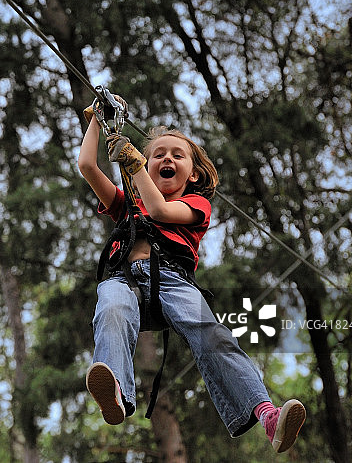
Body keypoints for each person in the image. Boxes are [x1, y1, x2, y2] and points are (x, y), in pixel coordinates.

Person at [77, 99, 306, 453]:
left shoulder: (197, 206)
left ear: (193, 174)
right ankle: (116, 392)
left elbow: (159, 209)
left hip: (172, 281)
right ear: (150, 167)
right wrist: (97, 121)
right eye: (158, 155)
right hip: (124, 280)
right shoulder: (126, 204)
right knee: (111, 306)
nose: (166, 159)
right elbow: (87, 166)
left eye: (177, 155)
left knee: (213, 336)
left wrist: (136, 163)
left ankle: (266, 415)